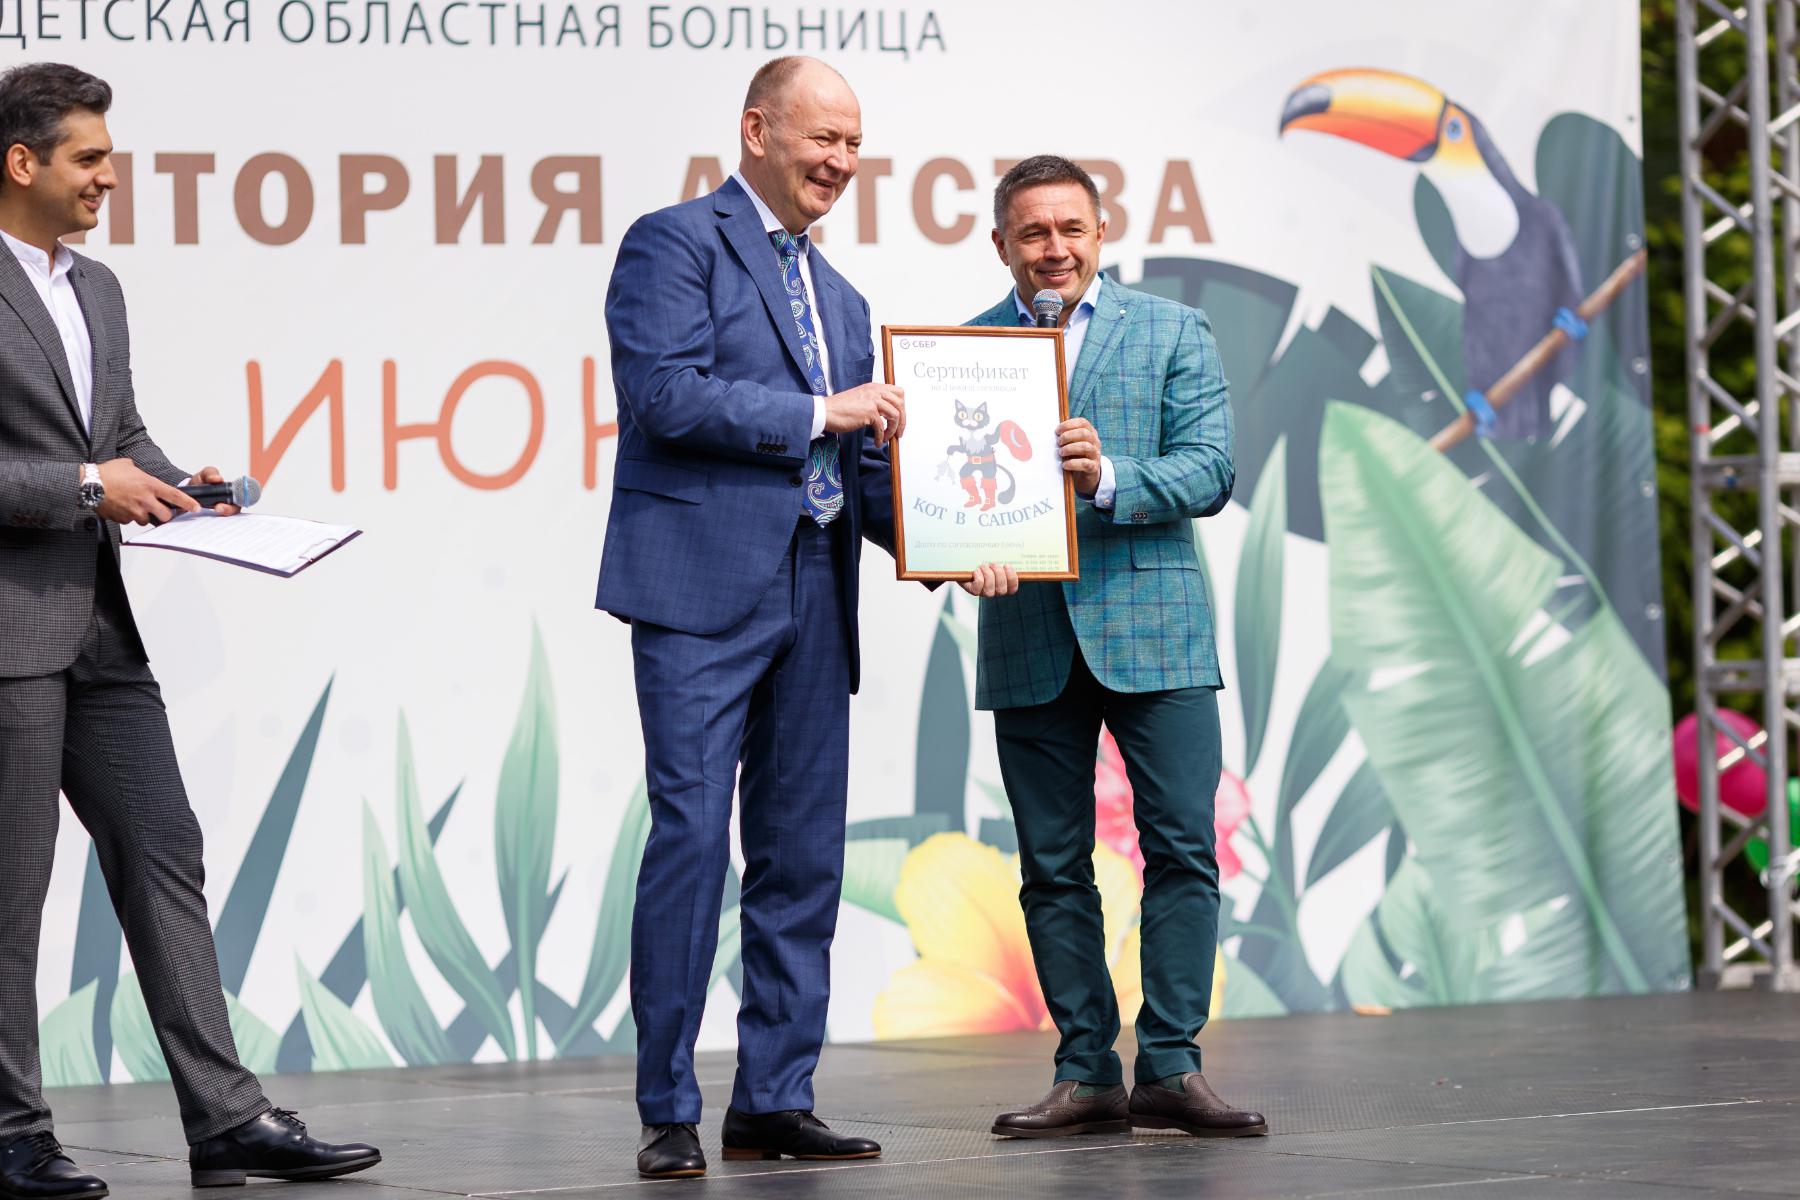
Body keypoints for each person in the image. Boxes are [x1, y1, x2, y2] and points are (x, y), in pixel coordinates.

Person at [597, 54, 1018, 1180]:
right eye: (822, 138)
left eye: (853, 144)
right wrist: (819, 410)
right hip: (698, 591)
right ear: (757, 130)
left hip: (817, 591)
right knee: (692, 842)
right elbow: (663, 396)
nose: (840, 161)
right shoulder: (673, 243)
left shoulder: (844, 299)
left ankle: (774, 1099)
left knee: (801, 857)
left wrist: (956, 545)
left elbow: (866, 473)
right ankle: (668, 1108)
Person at [0, 63, 381, 1199]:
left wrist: (185, 489)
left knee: (167, 849)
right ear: (20, 163)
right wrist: (87, 488)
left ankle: (227, 1120)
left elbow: (117, 436)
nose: (109, 179)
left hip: (102, 628)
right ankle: (12, 1132)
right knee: (12, 894)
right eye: (89, 159)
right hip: (11, 633)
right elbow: (80, 470)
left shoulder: (99, 287)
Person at [967, 156, 1266, 1140]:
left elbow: (1212, 470)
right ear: (1002, 243)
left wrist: (1109, 477)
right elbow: (941, 495)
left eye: (1071, 228)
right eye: (1032, 232)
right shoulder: (964, 352)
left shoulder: (1174, 330)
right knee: (1052, 865)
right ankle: (1086, 1072)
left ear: (1101, 234)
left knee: (1182, 848)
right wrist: (954, 555)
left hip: (1158, 626)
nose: (1053, 248)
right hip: (1026, 631)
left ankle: (1172, 1066)